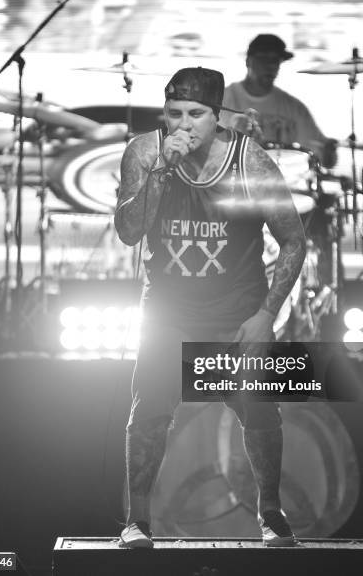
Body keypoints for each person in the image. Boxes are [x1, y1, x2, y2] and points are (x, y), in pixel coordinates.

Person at [114, 67, 306, 549]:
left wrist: (266, 315)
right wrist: (160, 170)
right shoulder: (145, 152)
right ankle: (137, 521)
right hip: (168, 310)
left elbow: (294, 242)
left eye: (196, 114)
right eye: (174, 113)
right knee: (149, 413)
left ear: (217, 116)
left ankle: (271, 513)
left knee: (262, 413)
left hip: (235, 312)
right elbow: (129, 232)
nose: (184, 124)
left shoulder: (250, 162)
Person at [220, 34, 337, 168]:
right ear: (248, 61)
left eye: (275, 60)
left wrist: (329, 152)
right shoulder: (223, 100)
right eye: (264, 59)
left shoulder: (294, 108)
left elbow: (324, 159)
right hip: (233, 182)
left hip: (283, 184)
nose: (270, 66)